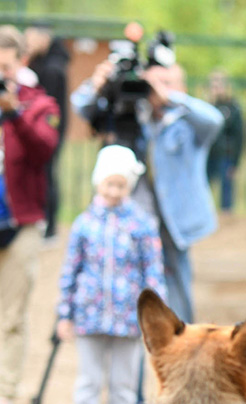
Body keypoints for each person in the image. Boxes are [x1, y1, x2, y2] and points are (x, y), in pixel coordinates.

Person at [72, 57, 223, 324]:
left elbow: (215, 120)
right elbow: (81, 108)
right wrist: (98, 85)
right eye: (153, 82)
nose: (156, 89)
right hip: (139, 217)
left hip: (176, 221)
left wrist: (170, 98)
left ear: (182, 86)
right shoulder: (133, 118)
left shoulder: (189, 121)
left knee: (177, 281)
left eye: (167, 82)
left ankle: (181, 339)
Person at [56, 145, 165, 404]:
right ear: (98, 183)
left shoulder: (142, 225)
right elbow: (70, 271)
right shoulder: (84, 224)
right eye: (109, 184)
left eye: (121, 185)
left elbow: (153, 272)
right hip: (89, 317)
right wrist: (65, 313)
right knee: (89, 380)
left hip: (128, 320)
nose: (115, 191)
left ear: (128, 186)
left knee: (123, 382)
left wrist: (156, 317)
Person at [0, 25, 60, 404]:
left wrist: (12, 112)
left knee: (12, 316)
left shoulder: (39, 103)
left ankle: (5, 397)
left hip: (20, 221)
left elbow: (45, 148)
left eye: (4, 64)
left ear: (20, 61)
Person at [23, 23, 69, 244]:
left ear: (44, 39)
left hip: (49, 131)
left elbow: (47, 105)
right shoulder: (48, 63)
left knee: (48, 175)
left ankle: (50, 226)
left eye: (31, 39)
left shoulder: (52, 69)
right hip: (46, 129)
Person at [206, 69, 245, 213]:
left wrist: (236, 161)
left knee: (226, 189)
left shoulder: (233, 108)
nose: (216, 88)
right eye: (213, 85)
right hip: (209, 154)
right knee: (205, 186)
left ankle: (226, 215)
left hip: (226, 154)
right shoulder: (207, 107)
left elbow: (240, 135)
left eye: (219, 84)